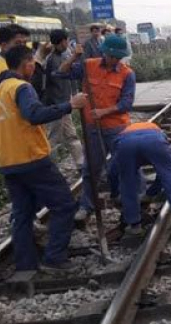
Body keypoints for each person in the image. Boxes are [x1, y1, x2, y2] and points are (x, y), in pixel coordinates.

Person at [0, 45, 87, 273]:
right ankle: (55, 258)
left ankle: (25, 264)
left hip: (7, 162)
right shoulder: (21, 88)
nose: (34, 66)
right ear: (26, 64)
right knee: (63, 205)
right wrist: (69, 105)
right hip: (31, 158)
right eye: (32, 62)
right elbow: (33, 115)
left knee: (22, 214)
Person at [58, 34, 136, 222]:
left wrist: (104, 112)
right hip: (93, 129)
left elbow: (126, 103)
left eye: (119, 57)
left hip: (118, 129)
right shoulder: (88, 65)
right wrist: (75, 56)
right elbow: (61, 72)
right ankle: (87, 206)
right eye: (112, 56)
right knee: (90, 170)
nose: (115, 60)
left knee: (124, 166)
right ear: (105, 53)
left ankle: (130, 201)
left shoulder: (127, 74)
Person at [109, 122, 171, 235]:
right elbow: (162, 176)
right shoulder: (158, 133)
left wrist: (114, 194)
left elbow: (112, 172)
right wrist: (152, 193)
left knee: (127, 181)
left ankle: (134, 225)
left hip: (126, 144)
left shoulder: (122, 138)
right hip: (154, 140)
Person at [44, 29, 84, 169]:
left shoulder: (63, 55)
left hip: (65, 103)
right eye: (66, 40)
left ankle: (80, 164)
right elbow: (59, 74)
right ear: (62, 41)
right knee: (53, 139)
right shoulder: (52, 59)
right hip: (56, 105)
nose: (67, 43)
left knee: (71, 135)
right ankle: (49, 168)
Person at [0, 24, 31, 132]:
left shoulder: (10, 63)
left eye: (24, 43)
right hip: (7, 127)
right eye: (18, 43)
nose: (23, 47)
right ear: (4, 45)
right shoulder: (1, 68)